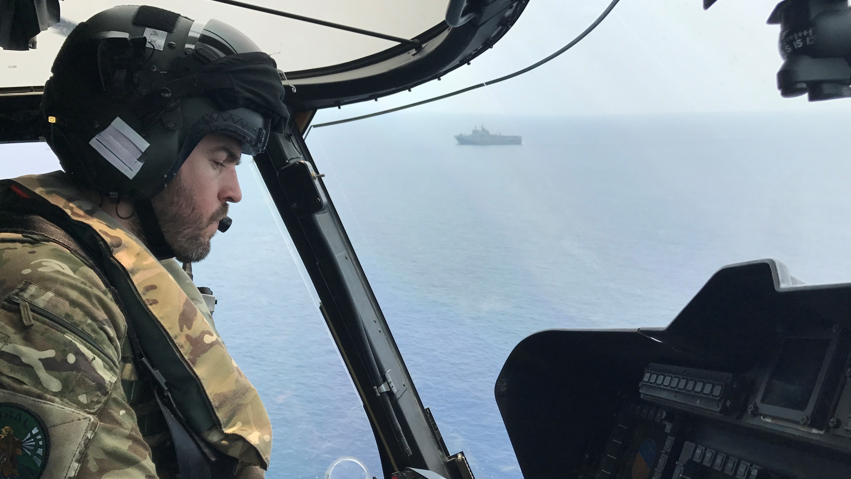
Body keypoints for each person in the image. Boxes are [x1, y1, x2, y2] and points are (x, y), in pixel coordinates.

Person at [0, 5, 288, 478]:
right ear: (147, 153)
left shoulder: (99, 265)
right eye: (221, 159)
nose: (234, 190)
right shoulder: (46, 297)